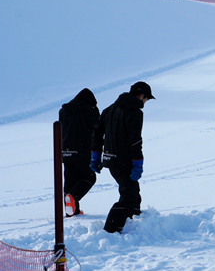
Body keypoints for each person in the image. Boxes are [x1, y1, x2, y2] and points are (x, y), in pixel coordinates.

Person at [92, 81, 155, 233]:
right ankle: (110, 231)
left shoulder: (110, 109)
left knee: (132, 194)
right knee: (129, 198)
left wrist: (96, 156)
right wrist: (138, 164)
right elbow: (135, 140)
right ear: (140, 96)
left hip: (110, 160)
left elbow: (97, 132)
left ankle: (133, 225)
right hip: (124, 161)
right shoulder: (134, 112)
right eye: (146, 99)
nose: (145, 103)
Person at [59, 88, 100, 216]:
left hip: (65, 151)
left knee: (70, 179)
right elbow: (98, 127)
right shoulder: (88, 110)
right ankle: (73, 196)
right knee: (89, 177)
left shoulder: (63, 111)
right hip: (83, 150)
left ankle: (71, 211)